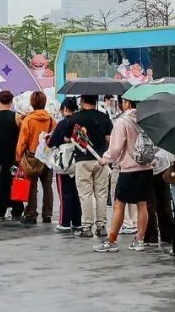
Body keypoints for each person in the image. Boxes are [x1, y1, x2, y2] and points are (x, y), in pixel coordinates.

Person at [94, 98, 151, 254]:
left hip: (128, 169)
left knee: (119, 203)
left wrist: (104, 159)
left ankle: (111, 240)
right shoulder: (147, 119)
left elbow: (116, 148)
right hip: (146, 168)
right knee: (142, 204)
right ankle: (140, 240)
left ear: (126, 103)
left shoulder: (122, 121)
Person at [66, 95, 113, 238]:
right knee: (101, 194)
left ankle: (86, 227)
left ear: (82, 101)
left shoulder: (74, 119)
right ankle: (101, 226)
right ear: (95, 101)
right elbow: (108, 139)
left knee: (85, 194)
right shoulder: (104, 117)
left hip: (82, 160)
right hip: (101, 160)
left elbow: (68, 138)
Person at [17, 90, 56, 225]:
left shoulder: (28, 120)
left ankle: (31, 214)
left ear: (32, 103)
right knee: (47, 186)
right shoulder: (51, 120)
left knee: (32, 187)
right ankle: (47, 214)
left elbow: (22, 141)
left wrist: (19, 155)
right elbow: (54, 138)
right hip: (46, 156)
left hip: (31, 157)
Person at [0, 91, 23, 222]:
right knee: (16, 182)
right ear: (11, 101)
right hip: (13, 156)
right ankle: (17, 210)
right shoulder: (17, 117)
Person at [48, 98, 82, 232]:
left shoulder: (63, 123)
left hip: (64, 163)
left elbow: (51, 142)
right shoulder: (80, 122)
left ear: (66, 109)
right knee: (76, 192)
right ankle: (77, 221)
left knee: (65, 193)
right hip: (78, 161)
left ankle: (64, 222)